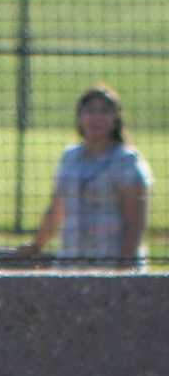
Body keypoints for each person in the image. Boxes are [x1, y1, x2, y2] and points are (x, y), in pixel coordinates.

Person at [20, 85, 153, 270]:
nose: (96, 117)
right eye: (90, 110)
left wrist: (123, 269)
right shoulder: (70, 157)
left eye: (104, 111)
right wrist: (36, 245)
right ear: (80, 117)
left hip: (110, 264)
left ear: (115, 119)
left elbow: (135, 223)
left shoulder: (126, 161)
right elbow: (56, 210)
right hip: (70, 265)